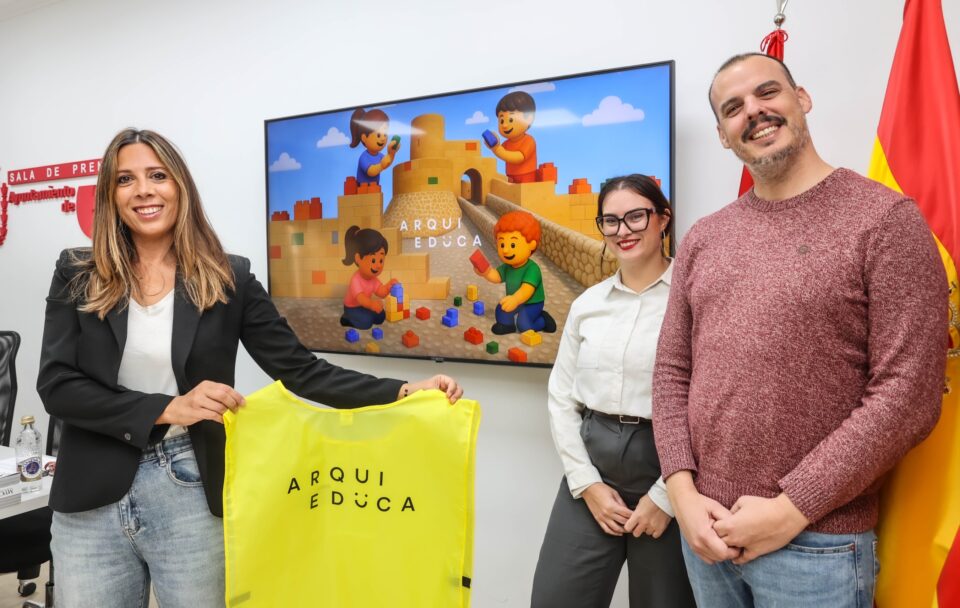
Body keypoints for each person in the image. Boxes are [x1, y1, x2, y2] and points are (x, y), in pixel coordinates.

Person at [36, 128, 462, 608]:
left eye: (157, 176)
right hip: (89, 492)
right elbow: (57, 385)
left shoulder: (228, 276)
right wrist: (167, 408)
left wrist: (402, 391)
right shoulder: (78, 271)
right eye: (125, 179)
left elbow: (301, 370)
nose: (143, 191)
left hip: (192, 485)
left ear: (180, 186)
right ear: (110, 195)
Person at [652, 53, 947, 607]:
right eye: (733, 108)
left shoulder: (885, 221)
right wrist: (681, 491)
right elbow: (671, 371)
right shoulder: (704, 238)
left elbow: (908, 394)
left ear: (802, 98)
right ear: (722, 135)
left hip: (818, 544)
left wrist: (793, 507)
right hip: (706, 531)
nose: (753, 112)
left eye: (768, 93)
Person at [531, 175, 695, 607]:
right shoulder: (588, 305)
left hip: (672, 473)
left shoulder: (694, 298)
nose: (623, 230)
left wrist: (667, 496)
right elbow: (561, 397)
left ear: (663, 218)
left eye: (636, 216)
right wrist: (586, 484)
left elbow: (710, 404)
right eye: (611, 220)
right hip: (593, 470)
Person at [474, 209, 556, 335]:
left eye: (512, 245)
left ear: (531, 245)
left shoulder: (532, 269)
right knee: (501, 310)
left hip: (532, 303)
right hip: (514, 299)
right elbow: (497, 276)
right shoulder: (508, 267)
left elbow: (526, 290)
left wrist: (515, 300)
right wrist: (486, 272)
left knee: (524, 325)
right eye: (502, 245)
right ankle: (508, 326)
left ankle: (542, 320)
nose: (505, 250)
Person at [339, 225, 397, 329]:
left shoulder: (373, 279)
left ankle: (365, 315)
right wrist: (372, 305)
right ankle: (346, 318)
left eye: (381, 260)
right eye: (373, 260)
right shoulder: (356, 279)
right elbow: (361, 299)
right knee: (366, 323)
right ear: (358, 258)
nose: (378, 265)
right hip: (352, 308)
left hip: (364, 306)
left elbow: (381, 292)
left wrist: (389, 286)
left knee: (381, 316)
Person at [485, 91, 538, 183]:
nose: (504, 125)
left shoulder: (529, 141)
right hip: (510, 176)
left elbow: (518, 158)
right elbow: (501, 153)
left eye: (510, 119)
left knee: (524, 192)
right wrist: (494, 146)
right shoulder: (506, 144)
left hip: (526, 176)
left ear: (528, 118)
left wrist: (497, 149)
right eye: (501, 121)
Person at [349, 107, 399, 185]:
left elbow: (387, 163)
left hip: (375, 187)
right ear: (364, 138)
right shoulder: (364, 157)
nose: (383, 138)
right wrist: (381, 165)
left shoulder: (380, 156)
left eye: (385, 134)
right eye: (378, 135)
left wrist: (391, 154)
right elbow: (370, 171)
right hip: (362, 188)